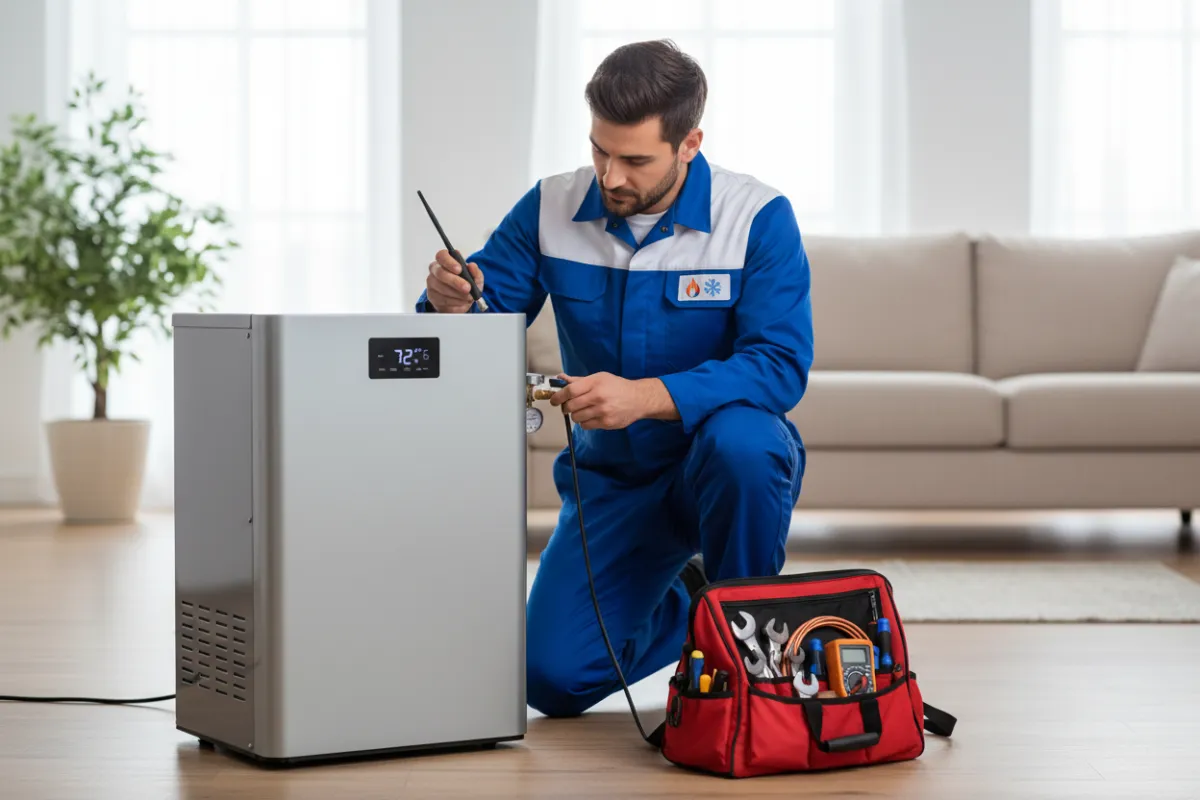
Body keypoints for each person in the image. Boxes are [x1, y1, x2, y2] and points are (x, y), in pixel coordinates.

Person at [416, 40, 813, 718]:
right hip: (614, 485)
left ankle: (744, 651)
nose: (611, 174)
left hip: (719, 468)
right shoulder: (548, 207)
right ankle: (692, 596)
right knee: (549, 679)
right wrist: (448, 303)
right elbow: (482, 317)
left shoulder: (756, 218)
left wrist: (649, 397)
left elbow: (778, 365)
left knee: (747, 442)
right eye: (600, 150)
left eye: (634, 159)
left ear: (690, 143)